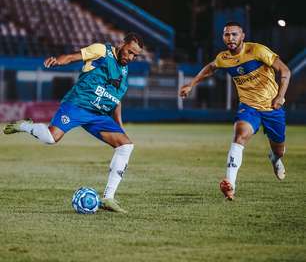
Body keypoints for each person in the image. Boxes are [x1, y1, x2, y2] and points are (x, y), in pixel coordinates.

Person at [3, 32, 144, 212]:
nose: (131, 57)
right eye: (130, 52)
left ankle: (108, 198)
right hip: (77, 105)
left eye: (135, 55)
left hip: (97, 115)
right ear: (122, 44)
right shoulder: (102, 50)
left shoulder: (124, 71)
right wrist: (59, 60)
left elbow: (116, 101)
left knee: (126, 146)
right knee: (50, 138)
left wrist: (120, 127)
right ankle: (25, 125)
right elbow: (73, 56)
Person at [179, 21, 291, 200]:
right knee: (240, 135)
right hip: (248, 107)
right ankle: (230, 184)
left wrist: (280, 96)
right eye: (226, 35)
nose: (230, 38)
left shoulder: (257, 50)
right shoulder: (224, 58)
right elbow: (210, 68)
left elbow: (285, 71)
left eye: (234, 34)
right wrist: (191, 84)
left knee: (279, 150)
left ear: (242, 36)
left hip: (272, 107)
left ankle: (275, 158)